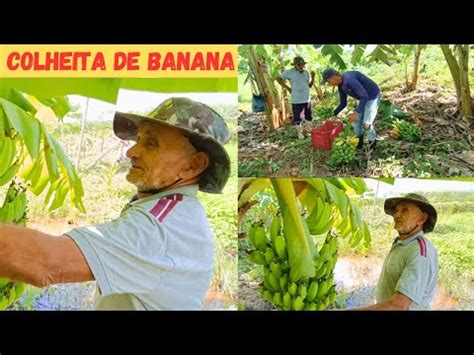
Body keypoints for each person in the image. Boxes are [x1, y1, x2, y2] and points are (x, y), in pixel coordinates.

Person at [0, 97, 232, 310]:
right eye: (139, 139)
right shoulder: (177, 211)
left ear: (193, 165)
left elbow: (47, 263)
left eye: (151, 143)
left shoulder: (159, 228)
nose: (132, 150)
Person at [357, 193, 439, 310]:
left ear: (422, 218)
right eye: (396, 210)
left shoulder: (419, 253)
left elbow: (399, 305)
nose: (397, 215)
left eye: (405, 210)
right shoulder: (402, 243)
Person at [321, 68, 380, 150]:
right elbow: (343, 103)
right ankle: (359, 144)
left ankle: (373, 144)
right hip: (363, 99)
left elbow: (365, 96)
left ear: (333, 77)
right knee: (356, 123)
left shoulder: (349, 79)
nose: (329, 83)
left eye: (328, 81)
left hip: (372, 97)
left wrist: (356, 113)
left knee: (366, 124)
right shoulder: (341, 85)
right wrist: (332, 114)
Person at [276, 56, 315, 139]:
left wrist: (313, 77)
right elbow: (278, 78)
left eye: (302, 65)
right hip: (297, 100)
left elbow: (309, 86)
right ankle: (299, 133)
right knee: (298, 118)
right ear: (295, 65)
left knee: (308, 116)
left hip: (306, 99)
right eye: (299, 65)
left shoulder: (306, 72)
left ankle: (309, 130)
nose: (301, 66)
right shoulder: (290, 72)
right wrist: (288, 88)